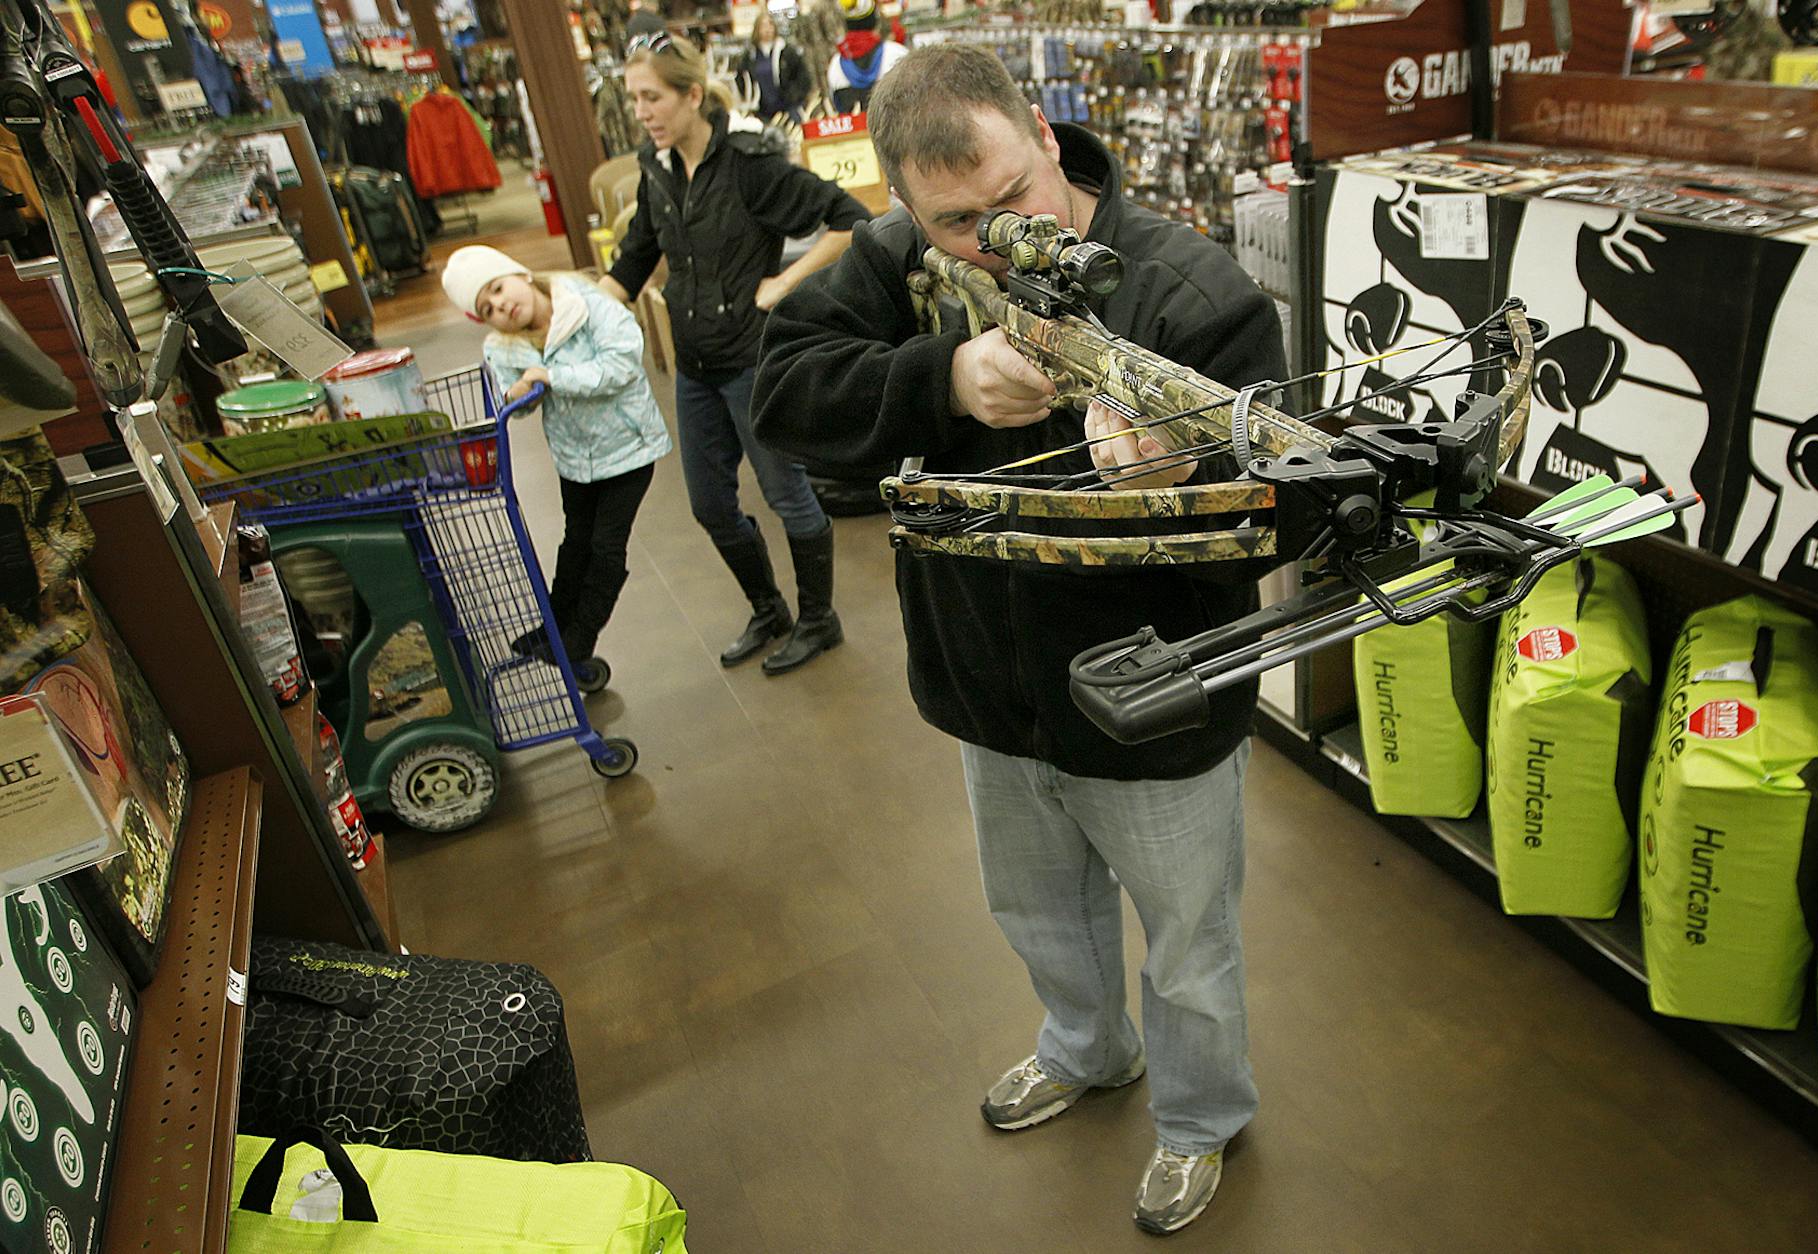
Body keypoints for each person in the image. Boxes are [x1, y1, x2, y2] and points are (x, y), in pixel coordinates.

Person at [752, 44, 1284, 1235]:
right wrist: (940, 376)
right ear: (903, 209)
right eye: (958, 224)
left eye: (1014, 199)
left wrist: (1181, 474)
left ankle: (1200, 1120)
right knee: (1039, 913)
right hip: (985, 684)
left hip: (1161, 701)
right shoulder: (898, 262)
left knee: (1190, 948)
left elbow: (1286, 509)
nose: (999, 237)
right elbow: (783, 396)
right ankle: (1089, 1050)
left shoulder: (1192, 291)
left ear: (1046, 135)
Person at [598, 36, 870, 674]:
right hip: (695, 366)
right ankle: (767, 607)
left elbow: (848, 217)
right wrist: (580, 315)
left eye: (653, 97)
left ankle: (819, 619)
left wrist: (780, 284)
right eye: (634, 98)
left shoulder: (750, 166)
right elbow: (637, 254)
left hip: (752, 361)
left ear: (692, 95)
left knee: (788, 494)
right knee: (709, 504)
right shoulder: (656, 168)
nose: (641, 111)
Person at [442, 245, 672, 683]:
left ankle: (580, 638)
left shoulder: (588, 304)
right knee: (574, 544)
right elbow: (518, 402)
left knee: (606, 546)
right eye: (487, 309)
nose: (501, 305)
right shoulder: (502, 346)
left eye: (498, 288)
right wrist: (513, 395)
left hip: (628, 451)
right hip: (574, 458)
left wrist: (553, 377)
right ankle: (554, 626)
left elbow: (622, 364)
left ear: (521, 274)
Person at [735, 8, 811, 123]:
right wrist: (749, 99)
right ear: (757, 29)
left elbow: (803, 77)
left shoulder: (787, 51)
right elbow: (741, 79)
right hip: (762, 112)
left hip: (788, 108)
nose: (767, 29)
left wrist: (794, 97)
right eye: (763, 26)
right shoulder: (750, 56)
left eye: (770, 25)